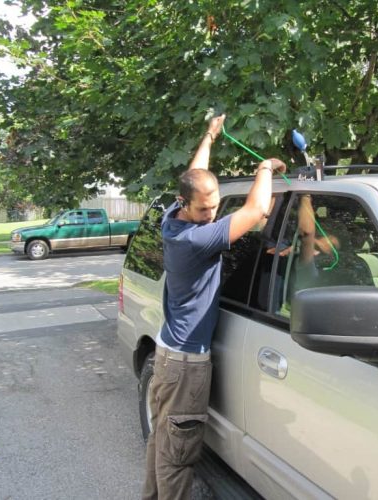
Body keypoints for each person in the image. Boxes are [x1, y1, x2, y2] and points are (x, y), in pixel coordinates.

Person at [142, 114, 286, 500]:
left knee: (163, 439)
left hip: (170, 355)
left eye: (216, 207)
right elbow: (256, 212)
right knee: (179, 455)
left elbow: (196, 174)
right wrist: (264, 167)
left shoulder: (173, 218)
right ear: (185, 205)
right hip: (186, 365)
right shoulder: (195, 239)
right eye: (205, 210)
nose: (212, 215)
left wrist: (209, 135)